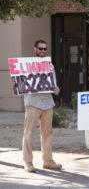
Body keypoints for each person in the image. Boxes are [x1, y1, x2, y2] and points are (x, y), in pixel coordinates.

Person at [21, 39, 62, 173]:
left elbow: (53, 84)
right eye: (40, 48)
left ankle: (48, 161)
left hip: (47, 103)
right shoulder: (26, 65)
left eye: (45, 49)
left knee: (47, 133)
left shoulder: (50, 66)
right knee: (29, 133)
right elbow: (20, 83)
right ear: (35, 49)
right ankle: (28, 162)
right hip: (32, 102)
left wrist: (56, 89)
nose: (43, 51)